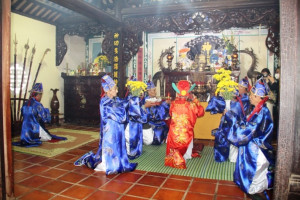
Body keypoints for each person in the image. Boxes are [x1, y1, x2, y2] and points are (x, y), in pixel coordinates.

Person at [74, 75, 137, 175]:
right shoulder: (105, 102)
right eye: (114, 89)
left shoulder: (114, 100)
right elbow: (120, 113)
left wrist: (132, 95)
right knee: (110, 152)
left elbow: (123, 102)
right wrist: (129, 102)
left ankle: (118, 162)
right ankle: (88, 159)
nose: (116, 91)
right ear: (108, 91)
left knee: (119, 146)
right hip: (110, 133)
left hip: (117, 130)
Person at [225, 78, 274, 198]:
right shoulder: (258, 109)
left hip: (257, 147)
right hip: (253, 143)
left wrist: (231, 118)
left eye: (253, 95)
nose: (250, 97)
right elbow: (247, 124)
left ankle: (255, 189)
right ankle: (256, 187)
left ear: (259, 98)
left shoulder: (262, 112)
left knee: (255, 168)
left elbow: (248, 130)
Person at [209, 77, 251, 162]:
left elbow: (238, 109)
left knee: (232, 137)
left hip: (237, 122)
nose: (238, 88)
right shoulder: (239, 97)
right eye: (238, 86)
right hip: (231, 119)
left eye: (240, 87)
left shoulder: (246, 99)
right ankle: (224, 155)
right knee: (223, 135)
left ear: (245, 89)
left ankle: (234, 157)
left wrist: (228, 112)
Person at [165, 80, 204, 169]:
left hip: (174, 132)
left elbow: (171, 114)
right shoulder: (191, 105)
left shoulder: (173, 104)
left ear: (178, 92)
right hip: (186, 132)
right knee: (188, 134)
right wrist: (196, 100)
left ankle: (179, 155)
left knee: (176, 137)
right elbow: (201, 112)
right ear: (188, 92)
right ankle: (187, 155)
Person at [13, 83, 67, 147]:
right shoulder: (37, 105)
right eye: (40, 95)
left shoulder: (25, 103)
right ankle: (35, 137)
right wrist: (46, 110)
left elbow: (22, 113)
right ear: (38, 95)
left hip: (24, 130)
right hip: (34, 129)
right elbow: (45, 118)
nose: (40, 97)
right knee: (48, 137)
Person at [124, 77, 148, 159]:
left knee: (137, 137)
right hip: (132, 123)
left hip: (136, 122)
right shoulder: (133, 99)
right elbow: (136, 114)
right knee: (132, 138)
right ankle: (131, 152)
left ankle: (136, 151)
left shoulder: (135, 98)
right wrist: (144, 115)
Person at [142, 80, 171, 145]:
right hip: (151, 123)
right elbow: (156, 113)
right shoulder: (146, 101)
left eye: (155, 90)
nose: (155, 92)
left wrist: (166, 104)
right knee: (158, 138)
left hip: (160, 122)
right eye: (154, 90)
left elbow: (163, 113)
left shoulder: (157, 99)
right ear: (149, 91)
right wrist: (164, 104)